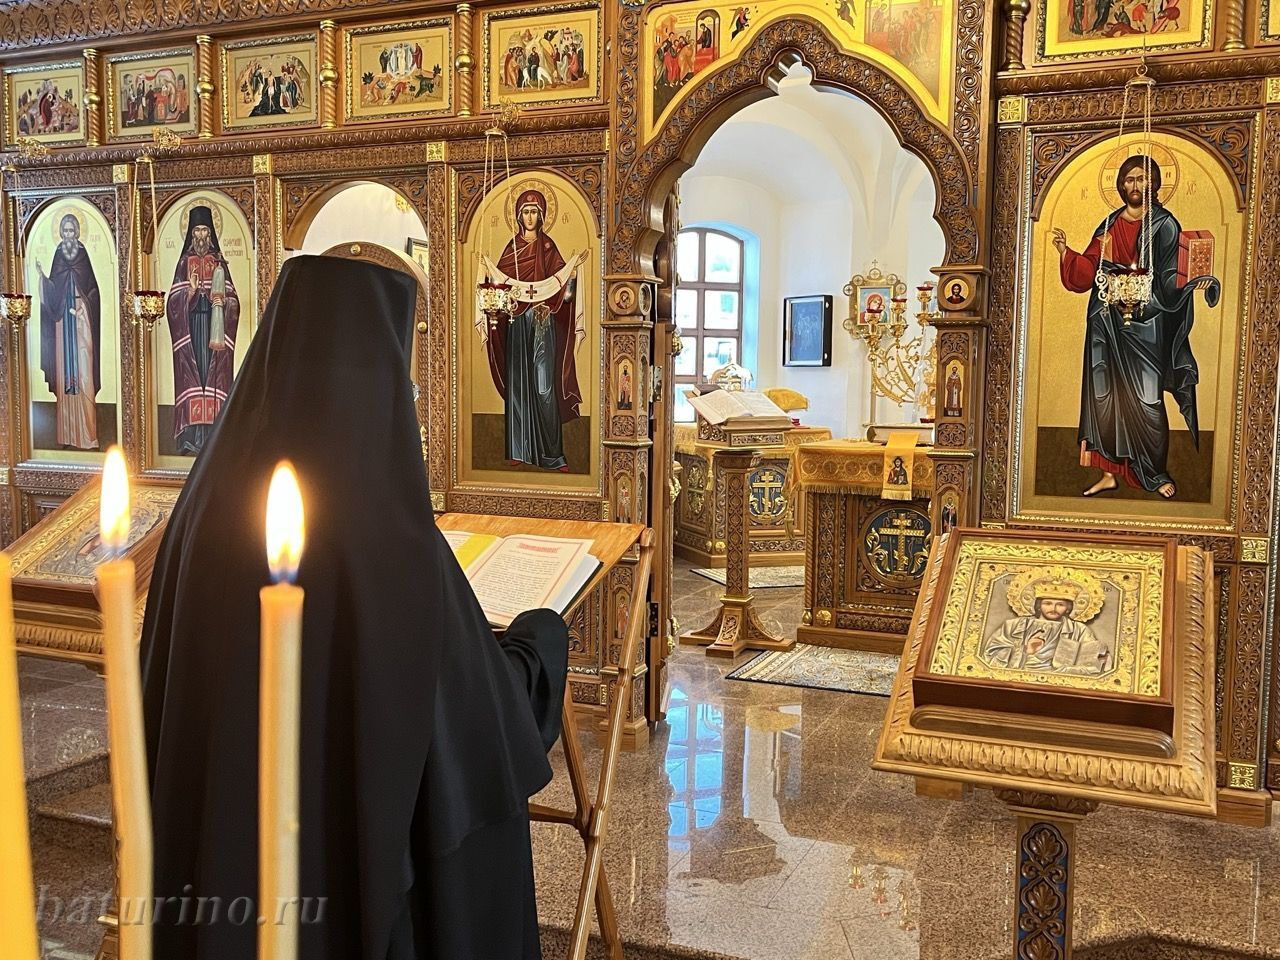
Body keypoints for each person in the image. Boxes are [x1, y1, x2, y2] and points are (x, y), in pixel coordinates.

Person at [142, 256, 570, 960]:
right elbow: (472, 732)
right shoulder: (385, 537)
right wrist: (541, 642)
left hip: (215, 880)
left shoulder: (202, 506)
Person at [1052, 154, 1219, 499]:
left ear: (1154, 183)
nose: (1136, 185)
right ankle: (1108, 473)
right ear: (1121, 185)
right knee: (1103, 396)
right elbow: (1089, 268)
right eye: (1129, 179)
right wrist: (1066, 253)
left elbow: (1171, 277)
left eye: (1142, 178)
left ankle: (1154, 473)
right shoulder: (1110, 222)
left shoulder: (1165, 224)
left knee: (1147, 398)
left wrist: (1193, 281)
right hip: (1105, 322)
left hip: (1146, 324)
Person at [476, 189, 588, 471]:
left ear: (542, 216)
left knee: (543, 386)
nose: (529, 217)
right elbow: (499, 289)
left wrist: (571, 277)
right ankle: (519, 450)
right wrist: (487, 272)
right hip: (516, 323)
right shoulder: (512, 248)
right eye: (525, 212)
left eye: (534, 212)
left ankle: (553, 454)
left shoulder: (548, 247)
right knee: (518, 384)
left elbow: (564, 294)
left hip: (542, 323)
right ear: (518, 216)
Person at [165, 205, 241, 456]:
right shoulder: (184, 262)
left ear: (210, 233)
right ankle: (190, 437)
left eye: (204, 230)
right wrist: (189, 291)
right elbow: (172, 303)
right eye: (196, 230)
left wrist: (222, 301)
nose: (200, 235)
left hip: (213, 330)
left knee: (213, 376)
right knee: (193, 377)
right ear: (191, 233)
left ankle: (215, 436)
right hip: (191, 332)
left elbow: (234, 301)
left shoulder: (219, 262)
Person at [36, 213, 101, 450]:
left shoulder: (82, 255)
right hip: (62, 321)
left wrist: (84, 306)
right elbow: (54, 289)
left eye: (72, 231)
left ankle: (88, 436)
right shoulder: (58, 255)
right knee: (65, 376)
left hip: (81, 321)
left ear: (77, 233)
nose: (68, 235)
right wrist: (43, 279)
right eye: (65, 231)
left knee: (84, 373)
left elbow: (93, 291)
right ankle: (67, 437)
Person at [982, 583, 1110, 676]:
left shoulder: (1079, 630)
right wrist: (1026, 650)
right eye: (1047, 603)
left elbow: (1089, 659)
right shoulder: (1014, 625)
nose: (1053, 609)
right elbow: (990, 656)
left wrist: (1098, 659)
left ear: (1068, 608)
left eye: (1060, 605)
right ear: (1038, 605)